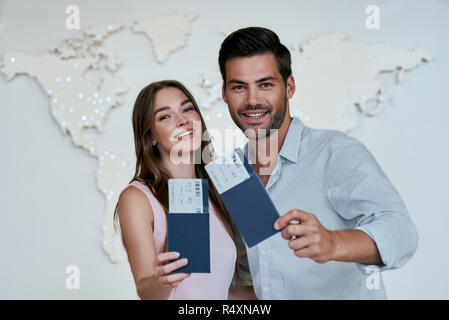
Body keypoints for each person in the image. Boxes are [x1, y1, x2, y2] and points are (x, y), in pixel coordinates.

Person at [218, 27, 419, 299]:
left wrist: (334, 242)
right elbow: (259, 278)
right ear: (225, 93)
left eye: (265, 84)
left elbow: (401, 232)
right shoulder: (234, 173)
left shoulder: (335, 152)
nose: (252, 100)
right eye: (239, 87)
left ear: (289, 87)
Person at [114, 80, 255, 299]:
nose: (183, 121)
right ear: (150, 136)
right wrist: (164, 281)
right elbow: (147, 291)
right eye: (165, 116)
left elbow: (218, 291)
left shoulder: (225, 186)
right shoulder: (137, 198)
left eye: (187, 109)